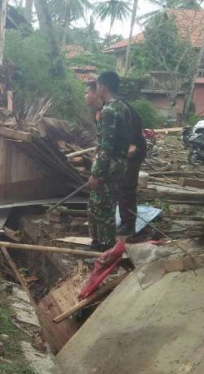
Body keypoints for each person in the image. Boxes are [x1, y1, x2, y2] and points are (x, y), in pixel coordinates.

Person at [88, 72, 130, 252]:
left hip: (108, 166)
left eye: (97, 85)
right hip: (118, 164)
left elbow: (106, 147)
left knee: (102, 209)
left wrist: (96, 174)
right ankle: (99, 244)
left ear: (103, 86)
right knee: (103, 205)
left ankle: (104, 250)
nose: (96, 88)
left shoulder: (108, 111)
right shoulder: (122, 107)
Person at [117, 99, 146, 236]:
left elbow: (137, 121)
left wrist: (133, 143)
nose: (85, 95)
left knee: (127, 187)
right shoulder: (102, 109)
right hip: (121, 153)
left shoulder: (120, 106)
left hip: (133, 152)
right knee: (121, 187)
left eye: (88, 92)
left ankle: (128, 224)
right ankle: (124, 221)